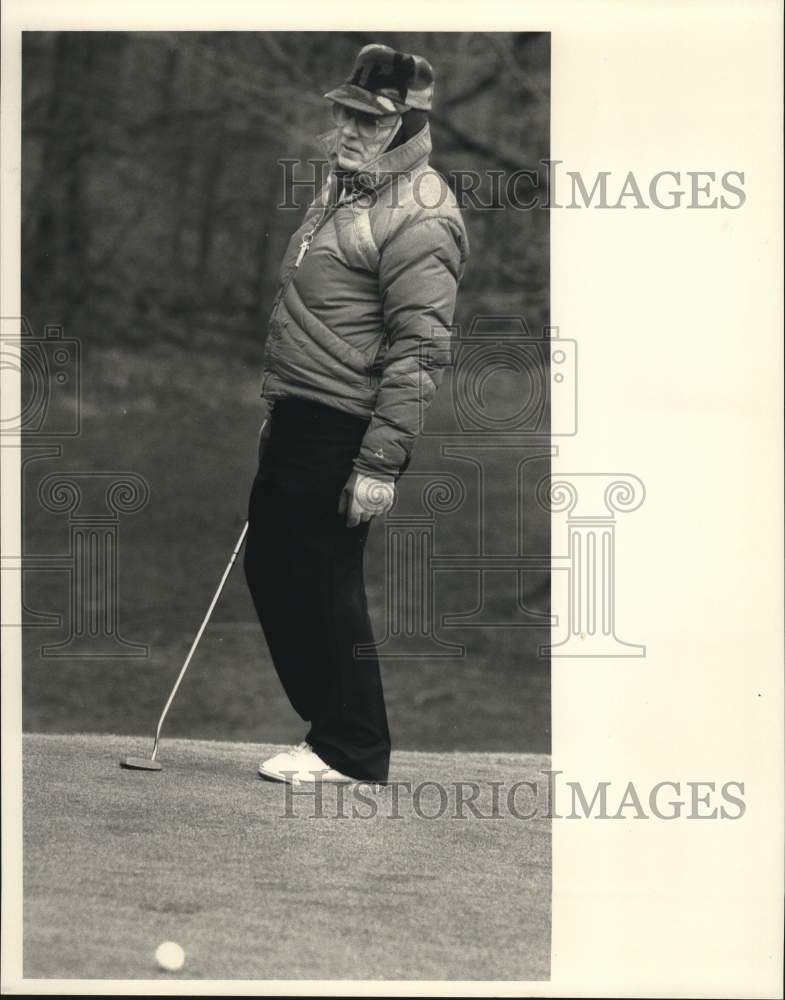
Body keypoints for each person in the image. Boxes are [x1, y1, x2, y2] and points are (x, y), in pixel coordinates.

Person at [244, 43, 469, 785]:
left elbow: (420, 350)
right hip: (304, 413)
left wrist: (378, 463)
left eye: (367, 120)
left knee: (315, 579)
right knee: (276, 569)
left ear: (407, 125)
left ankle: (349, 747)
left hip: (346, 426)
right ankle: (333, 735)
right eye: (343, 113)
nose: (346, 128)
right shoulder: (346, 188)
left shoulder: (422, 212)